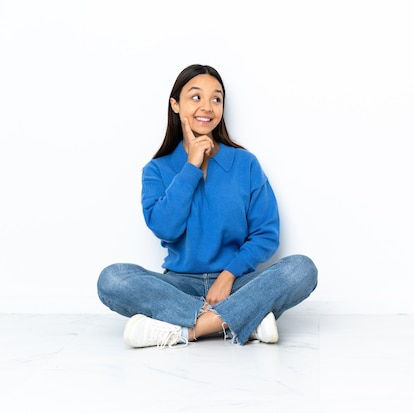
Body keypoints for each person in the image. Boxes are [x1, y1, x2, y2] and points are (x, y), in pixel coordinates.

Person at [97, 64, 318, 348]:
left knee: (301, 269)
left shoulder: (244, 163)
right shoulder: (157, 169)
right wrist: (191, 166)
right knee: (112, 279)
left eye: (216, 98)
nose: (208, 107)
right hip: (179, 287)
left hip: (236, 283)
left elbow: (266, 233)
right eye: (196, 97)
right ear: (175, 105)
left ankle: (185, 329)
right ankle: (242, 320)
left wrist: (228, 276)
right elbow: (166, 228)